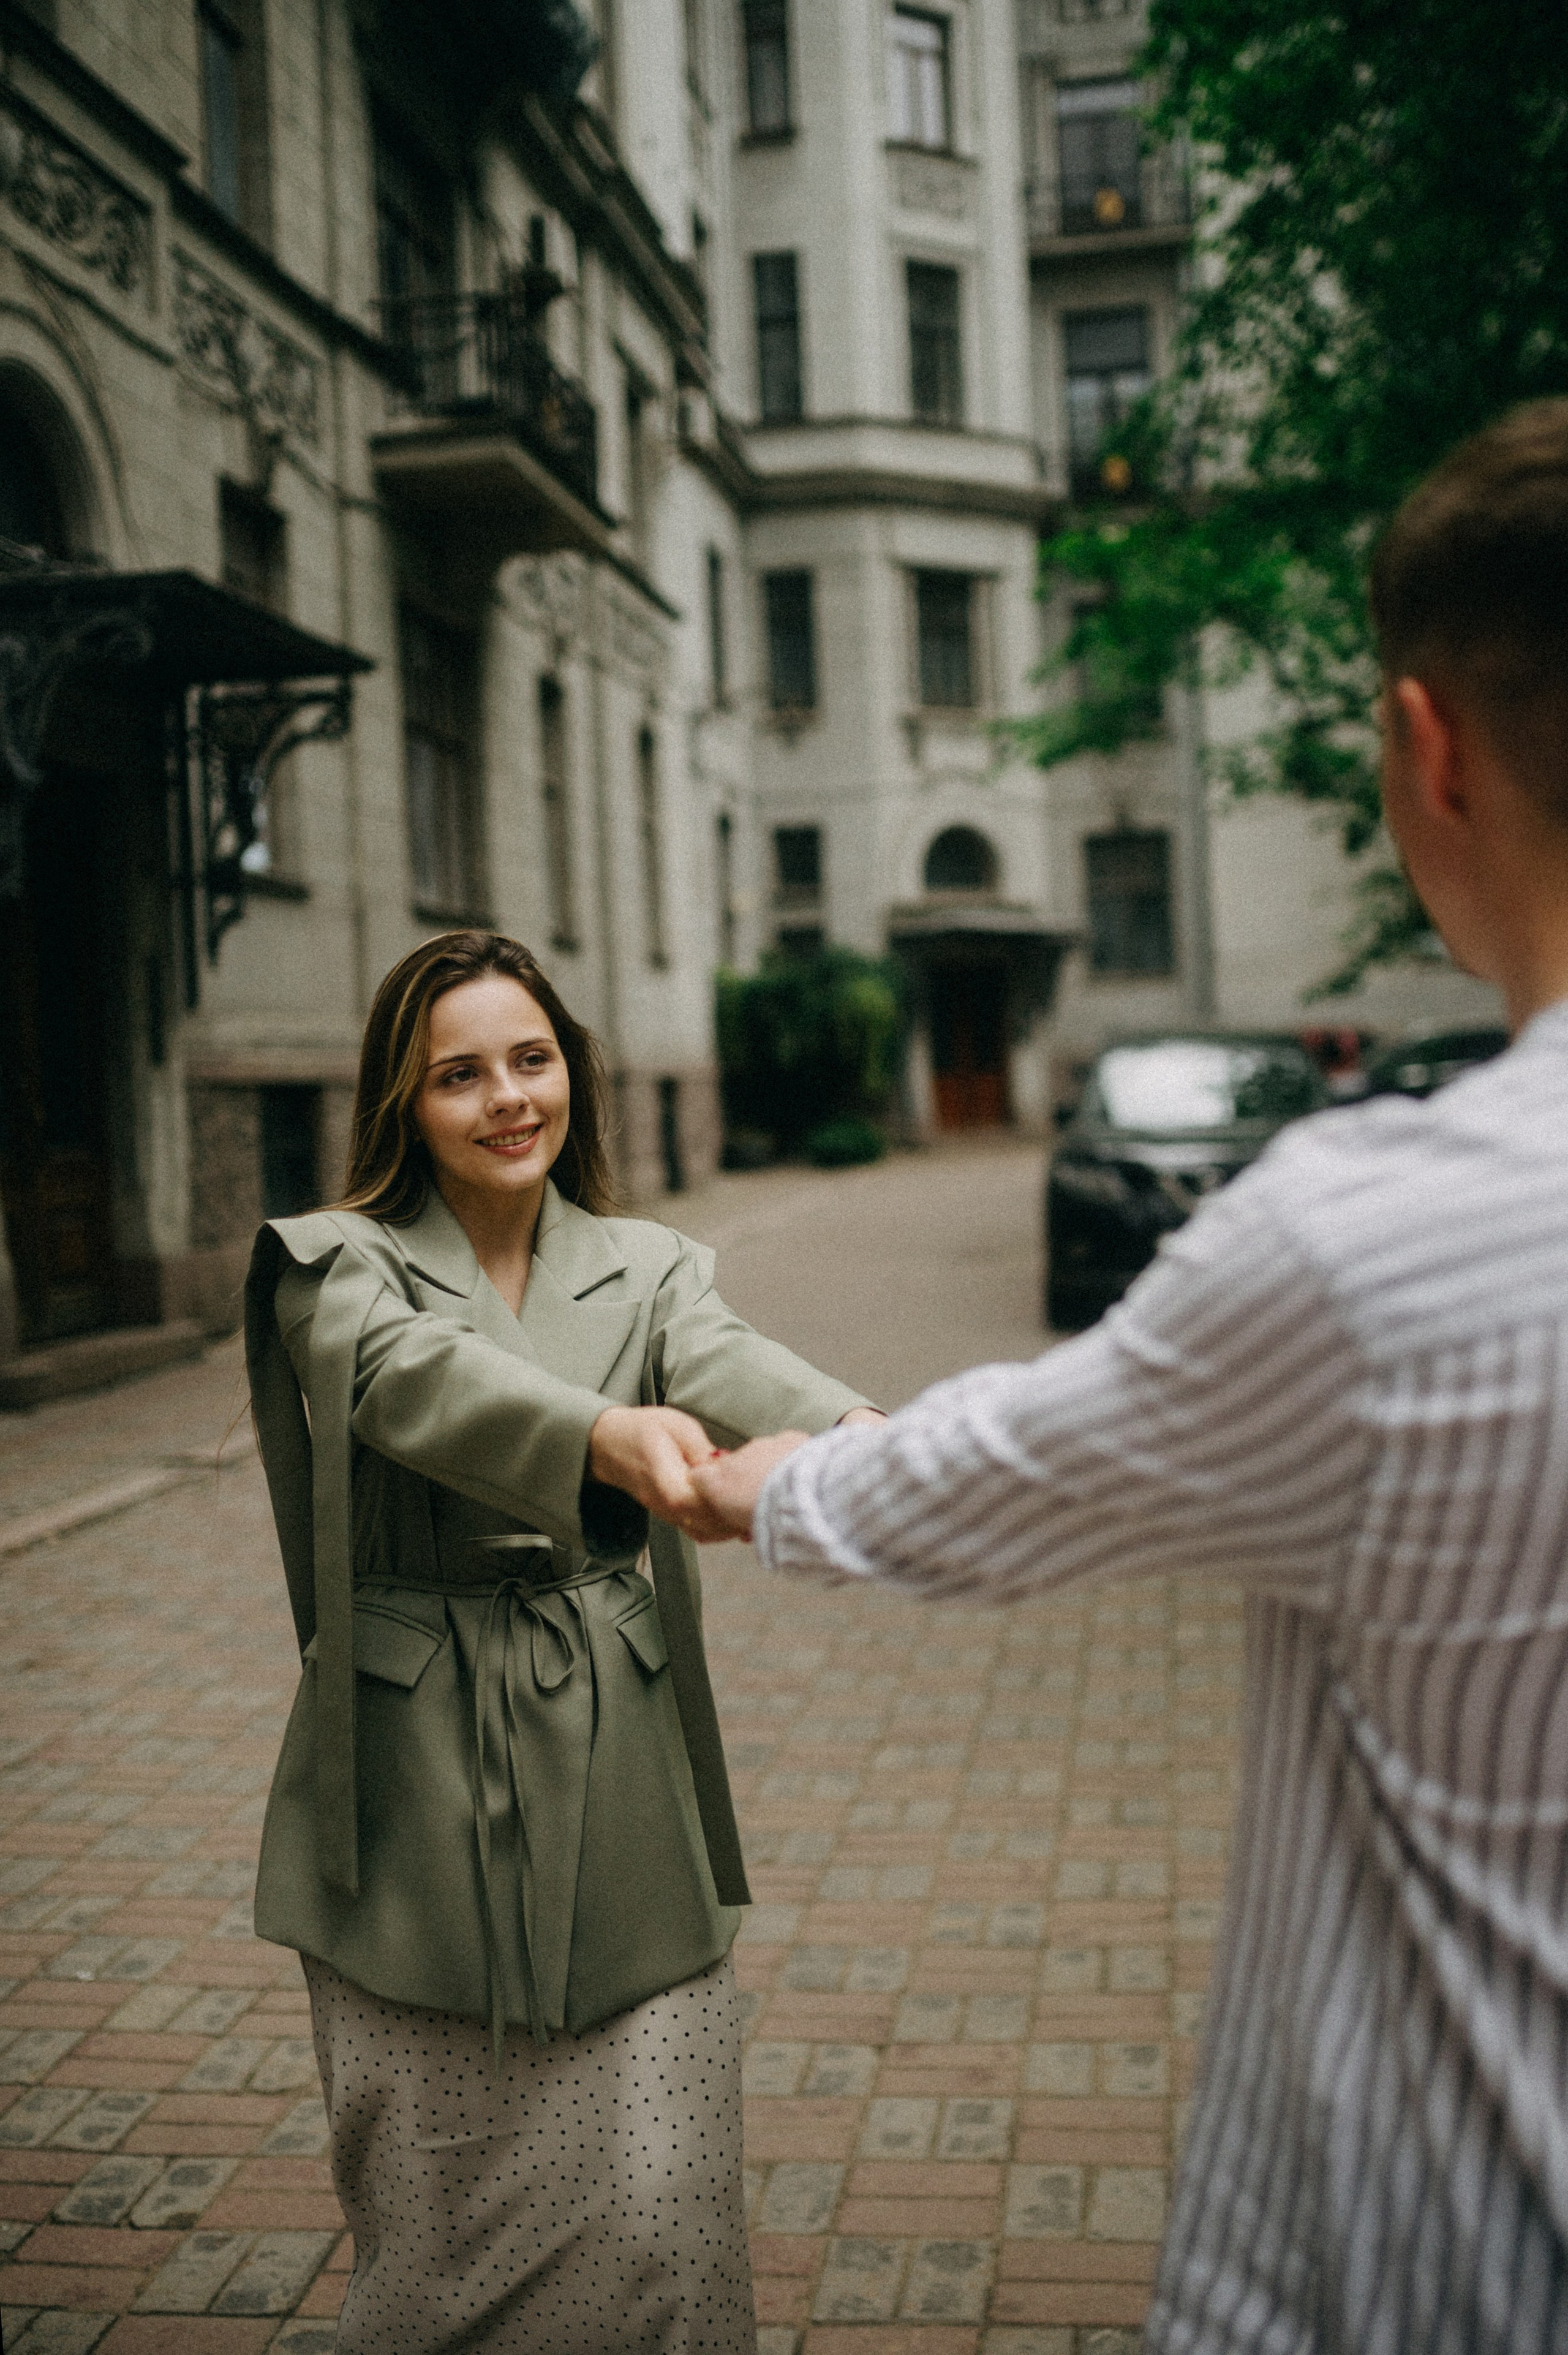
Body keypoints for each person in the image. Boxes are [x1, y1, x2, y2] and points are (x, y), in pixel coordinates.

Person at [682, 401, 1568, 2353]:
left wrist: (746, 1480)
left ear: (1426, 746)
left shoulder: (1364, 1237)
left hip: (1439, 2259)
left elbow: (1003, 1477)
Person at [244, 929, 881, 2354]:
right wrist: (594, 1435)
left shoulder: (648, 1265)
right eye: (457, 1073)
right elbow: (414, 1383)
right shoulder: (329, 1266)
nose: (507, 1097)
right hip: (415, 1773)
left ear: (571, 1074)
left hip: (621, 1756)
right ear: (402, 1103)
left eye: (530, 1059)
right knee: (439, 2224)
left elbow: (732, 1364)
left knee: (664, 2206)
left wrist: (863, 1438)